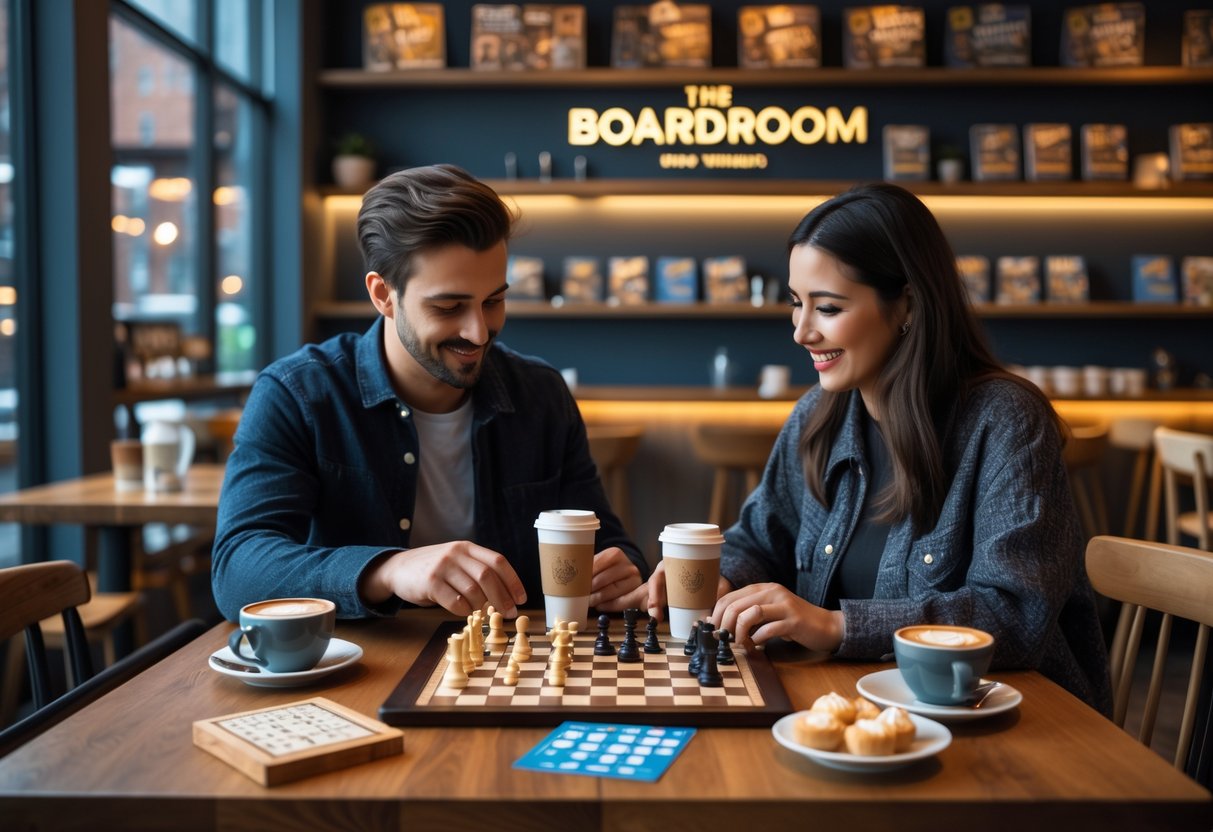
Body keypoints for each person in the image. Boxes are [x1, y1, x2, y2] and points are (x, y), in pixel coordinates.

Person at [645, 183, 1111, 713]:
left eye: (827, 307)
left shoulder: (1005, 420)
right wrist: (717, 576)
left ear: (907, 305)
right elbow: (760, 539)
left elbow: (1015, 615)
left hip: (1014, 723)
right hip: (857, 708)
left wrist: (837, 626)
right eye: (797, 304)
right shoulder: (815, 417)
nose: (801, 332)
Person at [213, 164, 648, 622]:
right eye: (448, 307)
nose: (478, 332)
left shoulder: (542, 395)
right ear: (383, 294)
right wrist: (388, 569)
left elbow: (607, 542)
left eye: (494, 301)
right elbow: (238, 570)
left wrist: (623, 567)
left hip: (514, 671)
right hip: (360, 674)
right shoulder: (297, 394)